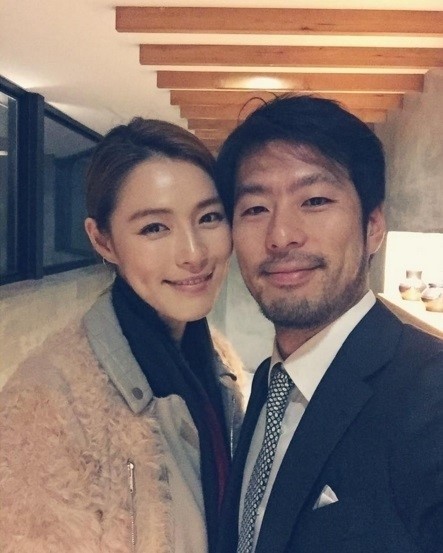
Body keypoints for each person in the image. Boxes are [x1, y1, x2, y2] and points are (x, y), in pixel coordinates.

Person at [0, 117, 244, 553]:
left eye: (209, 217)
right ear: (104, 241)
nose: (193, 253)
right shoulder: (45, 407)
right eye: (154, 227)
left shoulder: (219, 361)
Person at [214, 95, 443, 553]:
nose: (281, 236)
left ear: (373, 226)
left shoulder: (430, 395)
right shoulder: (270, 381)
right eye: (255, 208)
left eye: (315, 200)